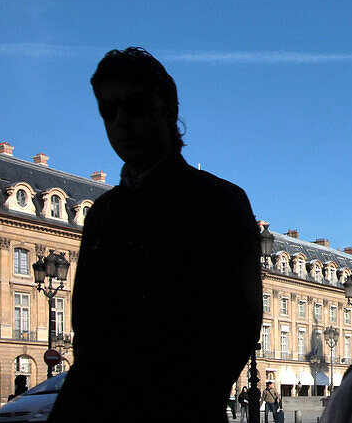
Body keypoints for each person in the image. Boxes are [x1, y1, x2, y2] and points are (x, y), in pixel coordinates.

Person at [47, 47, 262, 423]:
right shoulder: (103, 214)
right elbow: (88, 333)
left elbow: (238, 324)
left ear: (169, 109)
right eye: (108, 109)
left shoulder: (218, 202)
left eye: (135, 105)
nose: (120, 120)